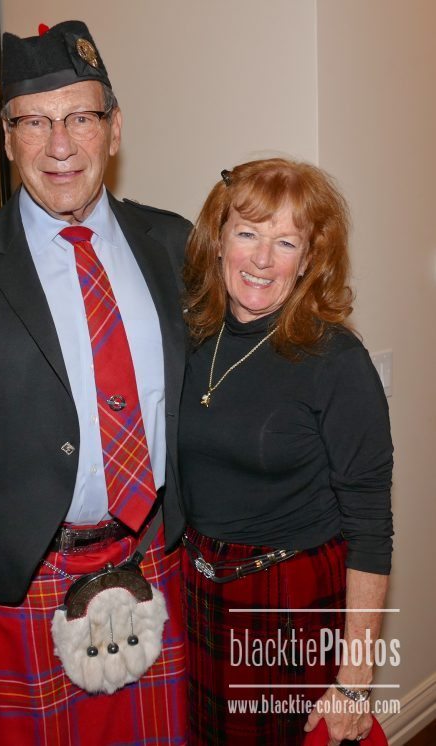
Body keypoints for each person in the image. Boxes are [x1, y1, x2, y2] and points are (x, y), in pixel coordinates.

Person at [0, 20, 191, 745]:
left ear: (113, 130)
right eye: (35, 121)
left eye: (81, 117)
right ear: (8, 134)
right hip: (22, 577)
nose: (60, 145)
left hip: (156, 559)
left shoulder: (176, 245)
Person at [178, 158, 393, 745]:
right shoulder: (191, 337)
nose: (263, 259)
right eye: (247, 232)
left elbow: (371, 528)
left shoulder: (337, 362)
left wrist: (354, 679)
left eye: (286, 241)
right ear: (218, 240)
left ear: (308, 261)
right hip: (196, 587)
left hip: (289, 603)